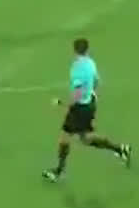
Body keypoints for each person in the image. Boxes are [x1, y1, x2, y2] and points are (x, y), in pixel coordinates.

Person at [42, 38, 133, 182]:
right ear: (87, 49)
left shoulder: (77, 68)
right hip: (90, 104)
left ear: (74, 50)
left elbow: (78, 91)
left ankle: (59, 171)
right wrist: (91, 94)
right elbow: (96, 81)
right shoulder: (91, 63)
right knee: (85, 138)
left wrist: (70, 105)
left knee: (65, 138)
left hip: (80, 107)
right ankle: (120, 149)